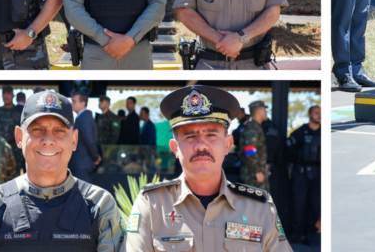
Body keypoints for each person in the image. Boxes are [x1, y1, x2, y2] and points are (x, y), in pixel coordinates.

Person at [124, 86, 290, 252]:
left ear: (227, 145)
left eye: (211, 135)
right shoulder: (152, 205)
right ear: (175, 149)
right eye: (190, 136)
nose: (201, 145)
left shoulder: (259, 208)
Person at [0, 91, 122, 252]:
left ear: (74, 140)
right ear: (19, 138)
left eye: (59, 131)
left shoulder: (100, 206)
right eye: (37, 130)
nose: (48, 140)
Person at [285, 106, 320, 245]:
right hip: (301, 173)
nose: (319, 116)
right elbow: (287, 150)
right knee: (297, 205)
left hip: (318, 174)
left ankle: (309, 235)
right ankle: (294, 234)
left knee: (315, 206)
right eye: (316, 113)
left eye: (321, 113)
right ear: (309, 114)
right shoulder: (299, 133)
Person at [0, 87, 24, 177]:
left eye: (8, 93)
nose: (6, 96)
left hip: (16, 152)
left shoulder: (20, 111)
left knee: (15, 179)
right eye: (4, 94)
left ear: (12, 95)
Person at [69, 91, 100, 182]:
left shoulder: (85, 117)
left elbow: (89, 140)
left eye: (74, 101)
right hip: (80, 163)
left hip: (82, 163)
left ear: (83, 103)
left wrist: (95, 157)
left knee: (82, 193)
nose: (72, 103)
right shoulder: (81, 117)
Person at [239, 101, 269, 192]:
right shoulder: (253, 127)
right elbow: (249, 150)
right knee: (256, 202)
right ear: (258, 112)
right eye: (264, 110)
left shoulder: (256, 126)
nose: (266, 112)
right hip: (252, 173)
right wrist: (257, 171)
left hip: (253, 171)